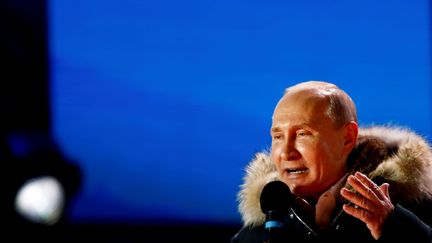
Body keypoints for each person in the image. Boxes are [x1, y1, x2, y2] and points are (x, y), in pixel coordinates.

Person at [231, 81, 432, 242]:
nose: (285, 153)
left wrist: (396, 229)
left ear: (347, 138)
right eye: (278, 137)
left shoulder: (414, 206)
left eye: (302, 134)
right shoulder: (261, 226)